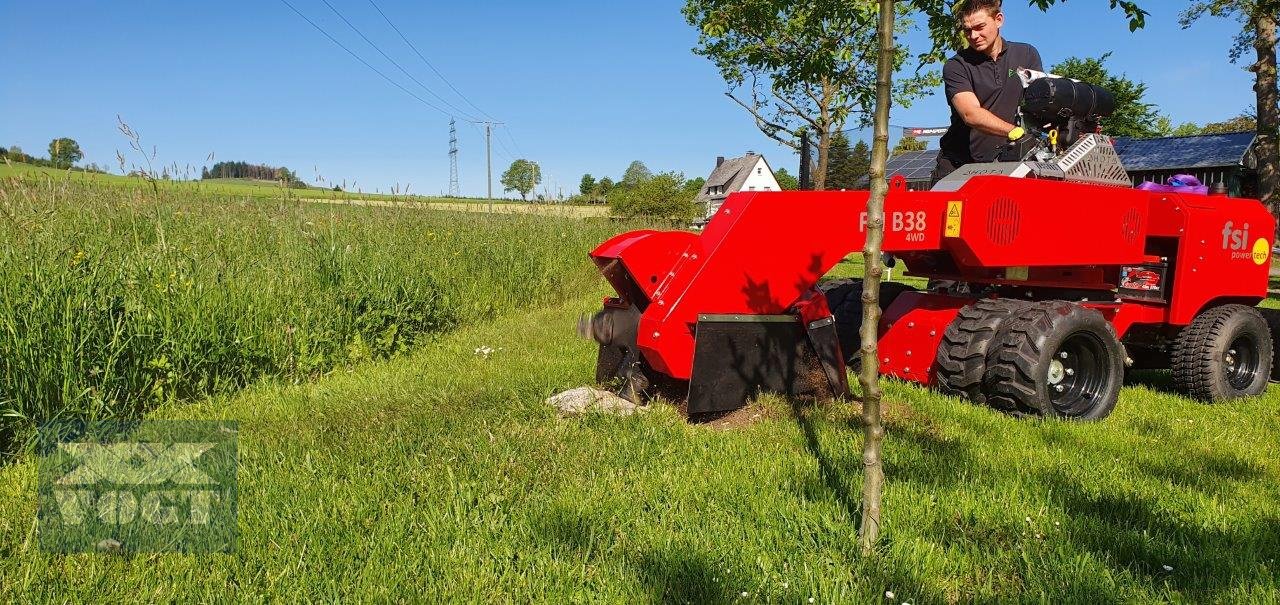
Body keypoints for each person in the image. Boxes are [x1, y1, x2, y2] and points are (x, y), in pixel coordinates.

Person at [933, 0, 1043, 183]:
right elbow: (970, 114)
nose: (973, 35)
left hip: (1007, 164)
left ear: (998, 20)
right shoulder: (957, 66)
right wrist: (1015, 132)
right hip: (958, 167)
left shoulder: (1026, 54)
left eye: (980, 27)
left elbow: (1040, 102)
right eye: (967, 30)